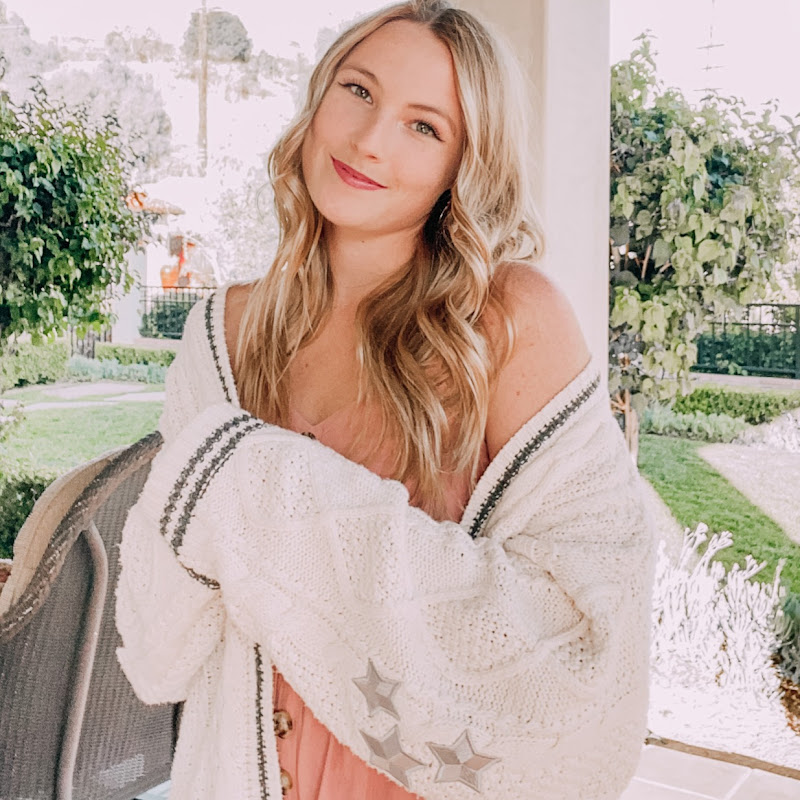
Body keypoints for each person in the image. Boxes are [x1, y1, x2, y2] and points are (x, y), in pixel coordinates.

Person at [116, 2, 656, 799]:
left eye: (424, 126)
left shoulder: (507, 323)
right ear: (318, 99)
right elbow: (161, 645)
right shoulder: (222, 332)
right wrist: (220, 497)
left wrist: (250, 483)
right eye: (359, 90)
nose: (370, 139)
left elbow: (589, 648)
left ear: (464, 164)